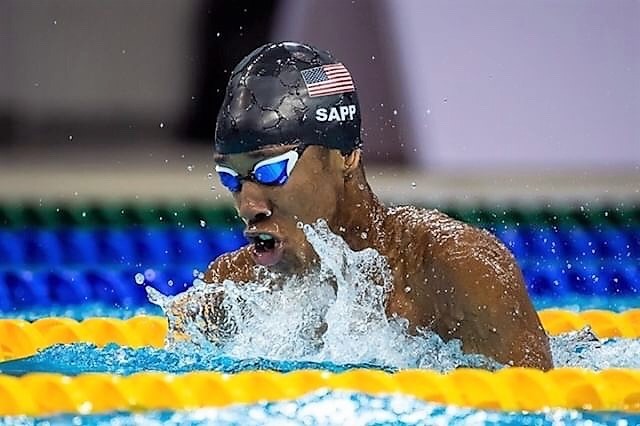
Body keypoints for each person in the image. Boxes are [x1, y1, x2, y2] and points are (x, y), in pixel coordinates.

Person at [176, 41, 553, 370]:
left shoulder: (454, 268)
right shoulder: (233, 290)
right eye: (231, 178)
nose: (249, 204)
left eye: (272, 170)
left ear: (345, 155)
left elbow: (529, 403)